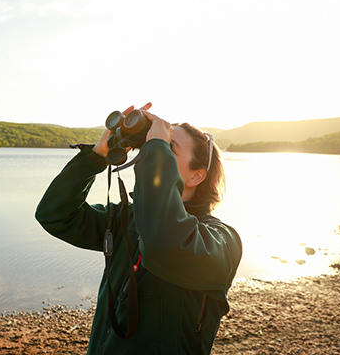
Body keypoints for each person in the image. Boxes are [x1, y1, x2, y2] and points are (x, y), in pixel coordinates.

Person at [35, 103, 243, 354]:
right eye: (150, 145)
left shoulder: (222, 241)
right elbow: (56, 215)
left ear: (196, 176)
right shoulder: (128, 219)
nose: (151, 152)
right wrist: (96, 157)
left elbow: (163, 243)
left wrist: (155, 149)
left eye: (167, 148)